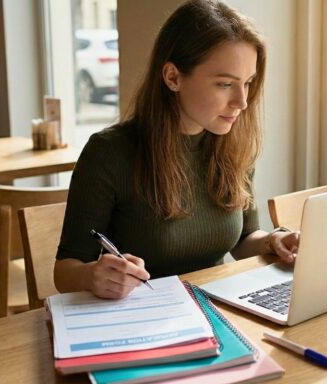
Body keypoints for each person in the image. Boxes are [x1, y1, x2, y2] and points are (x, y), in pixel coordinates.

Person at [54, 0, 299, 299]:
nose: (242, 101)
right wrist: (93, 276)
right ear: (173, 77)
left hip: (216, 309)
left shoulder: (233, 142)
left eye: (247, 83)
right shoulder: (109, 153)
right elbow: (65, 270)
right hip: (140, 320)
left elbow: (245, 237)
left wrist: (274, 241)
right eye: (225, 84)